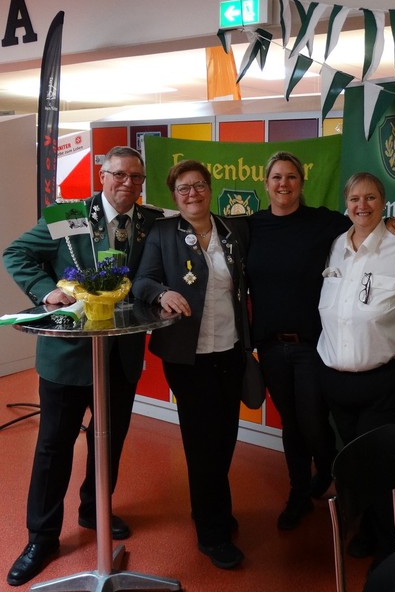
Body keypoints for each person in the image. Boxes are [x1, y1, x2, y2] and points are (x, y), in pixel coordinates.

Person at [3, 146, 162, 587]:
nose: (128, 183)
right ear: (102, 175)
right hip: (68, 355)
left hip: (121, 355)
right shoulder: (69, 216)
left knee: (107, 440)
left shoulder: (149, 223)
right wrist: (46, 291)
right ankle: (41, 538)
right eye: (119, 175)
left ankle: (95, 510)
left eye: (136, 177)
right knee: (53, 447)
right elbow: (16, 253)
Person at [246, 152, 395, 531]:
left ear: (301, 183)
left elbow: (365, 220)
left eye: (291, 177)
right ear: (266, 183)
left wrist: (390, 221)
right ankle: (298, 494)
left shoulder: (324, 223)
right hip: (270, 347)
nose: (284, 184)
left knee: (313, 422)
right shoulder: (251, 226)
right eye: (277, 177)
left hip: (311, 346)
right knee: (291, 424)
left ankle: (327, 473)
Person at [132, 159, 249, 570]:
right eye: (183, 188)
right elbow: (141, 282)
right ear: (174, 195)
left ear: (210, 188)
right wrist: (161, 293)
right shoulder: (163, 233)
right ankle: (212, 535)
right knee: (202, 444)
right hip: (188, 357)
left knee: (226, 438)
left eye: (199, 185)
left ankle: (211, 509)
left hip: (230, 351)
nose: (192, 194)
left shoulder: (234, 230)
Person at [317, 172, 395, 560]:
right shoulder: (337, 246)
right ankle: (367, 531)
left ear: (384, 203)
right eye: (354, 198)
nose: (361, 205)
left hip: (388, 384)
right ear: (346, 203)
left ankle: (391, 551)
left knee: (383, 470)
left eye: (370, 198)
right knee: (354, 469)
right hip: (339, 384)